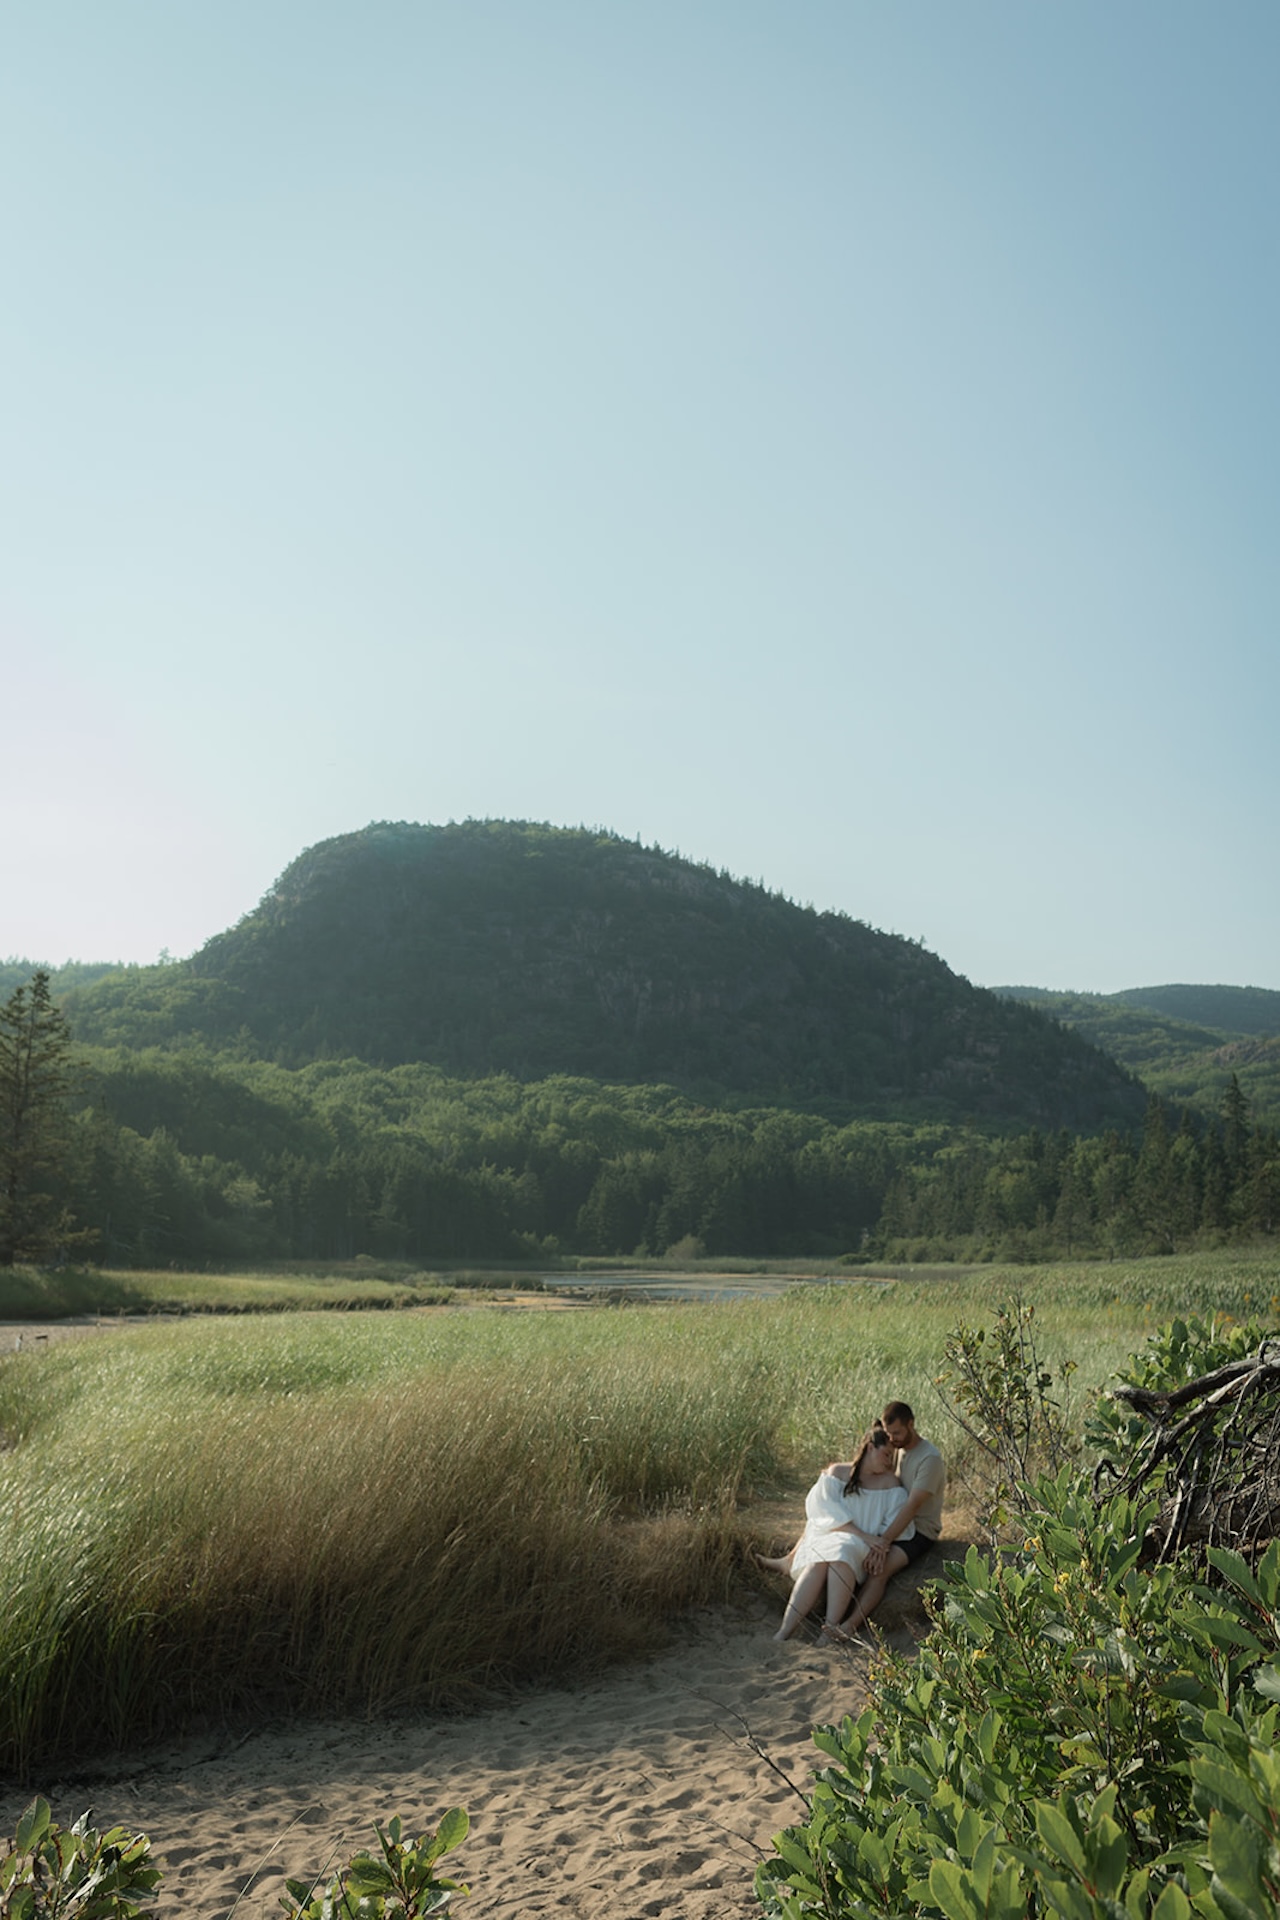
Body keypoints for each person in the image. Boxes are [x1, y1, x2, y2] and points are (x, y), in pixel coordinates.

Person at [756, 1427, 912, 1642]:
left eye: (892, 1458)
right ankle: (784, 1631)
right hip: (831, 1536)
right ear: (870, 1448)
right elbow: (824, 1513)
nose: (889, 1463)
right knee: (819, 1561)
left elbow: (893, 1522)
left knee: (843, 1551)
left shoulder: (890, 1484)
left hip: (860, 1546)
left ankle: (828, 1631)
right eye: (886, 1455)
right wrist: (864, 1536)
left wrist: (876, 1545)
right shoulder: (837, 1472)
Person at [831, 1399, 945, 1638]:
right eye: (889, 1433)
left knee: (879, 1570)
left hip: (919, 1530)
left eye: (897, 1432)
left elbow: (912, 1506)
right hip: (891, 1522)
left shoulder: (929, 1459)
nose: (892, 1438)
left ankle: (850, 1625)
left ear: (911, 1424)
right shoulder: (898, 1448)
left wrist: (883, 1543)